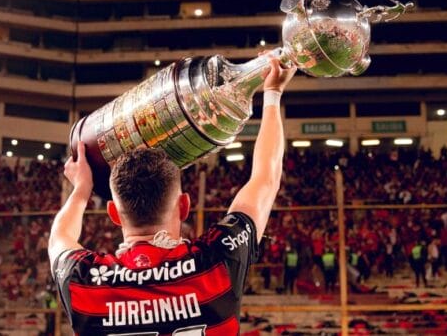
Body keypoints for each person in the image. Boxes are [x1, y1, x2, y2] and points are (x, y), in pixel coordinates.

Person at [48, 57, 295, 335]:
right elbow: (265, 179)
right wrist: (272, 95)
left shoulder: (86, 282)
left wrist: (81, 190)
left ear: (114, 214)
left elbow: (59, 238)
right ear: (184, 205)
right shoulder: (215, 262)